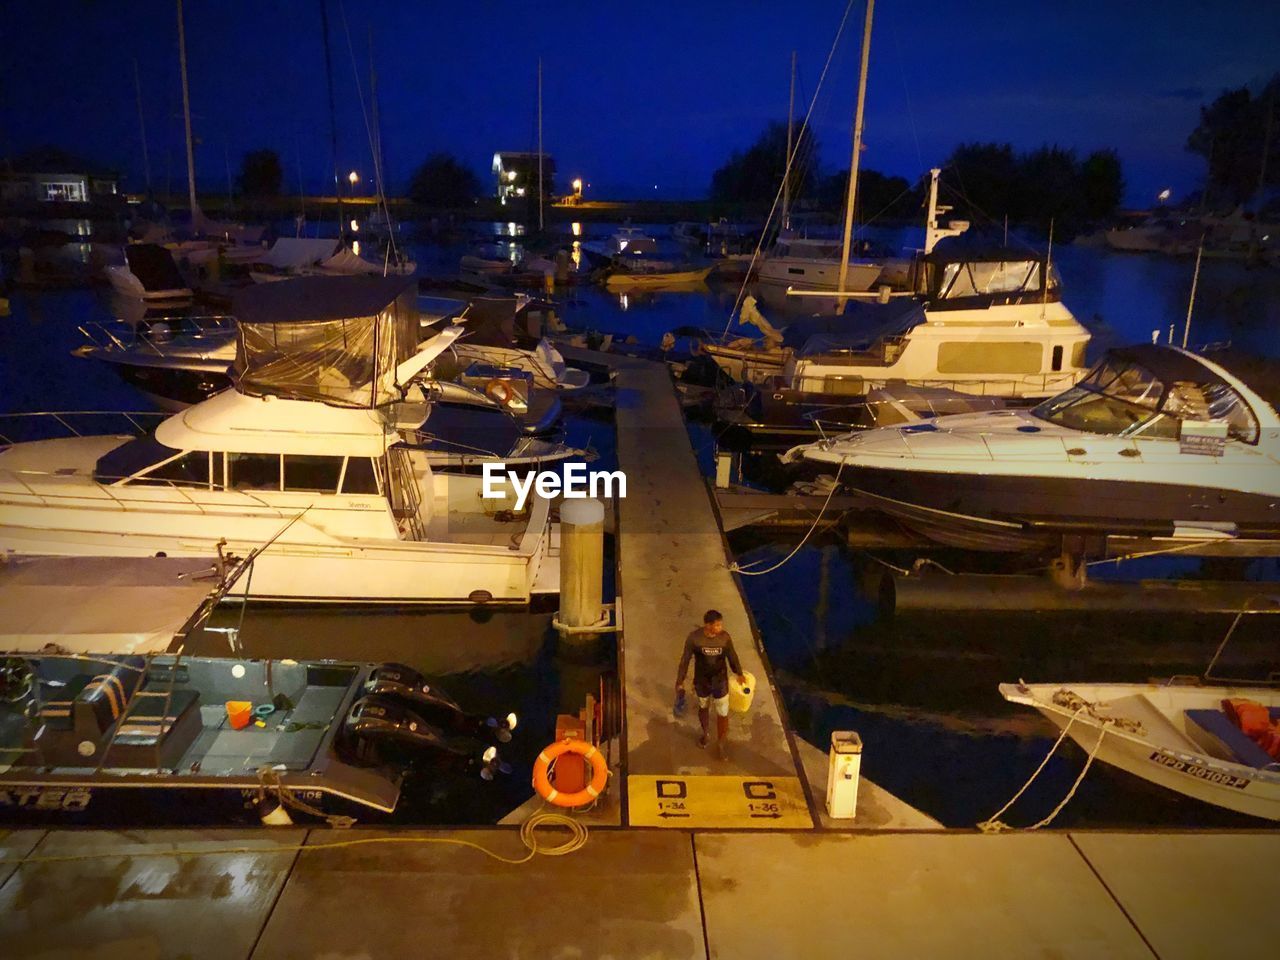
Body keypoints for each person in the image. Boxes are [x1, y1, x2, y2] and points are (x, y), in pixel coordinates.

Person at [675, 609, 747, 760]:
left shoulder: (725, 638)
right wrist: (680, 681)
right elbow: (685, 660)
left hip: (720, 681)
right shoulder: (694, 639)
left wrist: (739, 673)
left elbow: (732, 657)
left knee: (723, 712)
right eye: (717, 625)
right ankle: (705, 733)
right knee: (703, 707)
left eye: (721, 625)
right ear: (707, 625)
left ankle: (721, 743)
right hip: (702, 681)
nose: (720, 628)